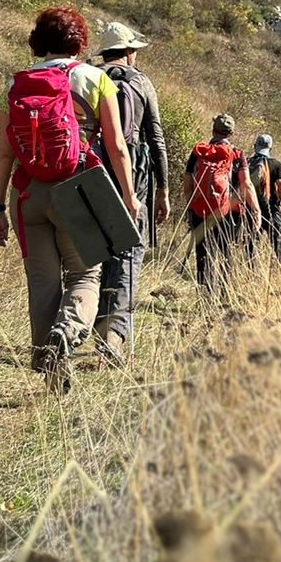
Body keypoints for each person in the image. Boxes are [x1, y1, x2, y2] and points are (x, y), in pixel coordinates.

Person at [0, 6, 140, 393]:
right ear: (80, 42)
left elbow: (5, 153)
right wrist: (128, 197)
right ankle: (66, 334)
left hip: (27, 192)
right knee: (85, 275)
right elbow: (118, 146)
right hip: (79, 188)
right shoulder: (96, 79)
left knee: (41, 282)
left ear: (39, 42)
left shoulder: (16, 84)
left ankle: (49, 362)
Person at [91, 20, 171, 366]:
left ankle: (84, 324)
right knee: (128, 252)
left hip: (89, 170)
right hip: (134, 172)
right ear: (129, 52)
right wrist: (163, 190)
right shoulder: (141, 82)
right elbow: (156, 139)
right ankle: (114, 336)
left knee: (92, 251)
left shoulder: (88, 76)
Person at [184, 114, 259, 289]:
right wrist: (256, 210)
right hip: (227, 212)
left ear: (213, 130)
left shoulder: (199, 152)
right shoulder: (237, 154)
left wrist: (190, 206)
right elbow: (246, 183)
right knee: (226, 252)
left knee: (203, 254)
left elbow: (187, 182)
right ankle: (226, 297)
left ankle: (206, 298)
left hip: (200, 210)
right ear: (231, 133)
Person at [248, 132, 281, 264]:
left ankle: (249, 271)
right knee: (277, 243)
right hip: (271, 209)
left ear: (255, 146)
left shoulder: (247, 163)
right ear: (270, 148)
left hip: (252, 209)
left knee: (251, 243)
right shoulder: (276, 164)